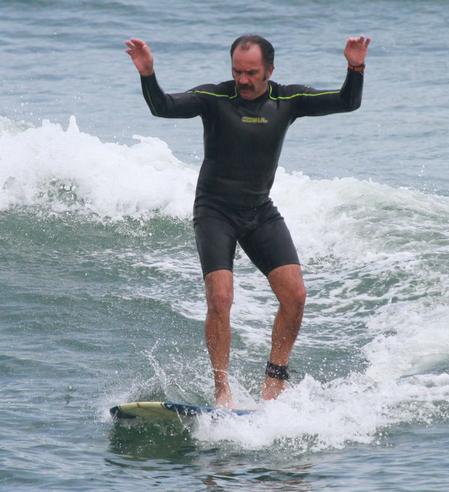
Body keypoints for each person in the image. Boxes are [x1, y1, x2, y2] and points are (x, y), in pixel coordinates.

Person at [125, 34, 370, 406]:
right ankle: (221, 388)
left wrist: (355, 68)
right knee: (220, 298)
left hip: (259, 211)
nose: (242, 80)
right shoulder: (214, 99)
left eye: (251, 73)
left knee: (296, 296)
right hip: (215, 212)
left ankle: (274, 381)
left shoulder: (288, 100)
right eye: (237, 71)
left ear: (270, 70)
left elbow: (347, 102)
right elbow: (164, 107)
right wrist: (148, 74)